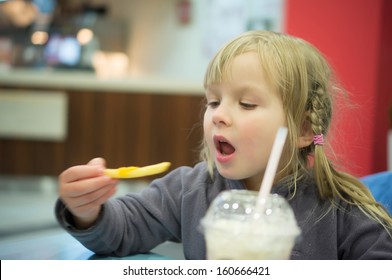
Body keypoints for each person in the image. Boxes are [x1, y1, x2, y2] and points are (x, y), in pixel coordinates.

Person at [55, 30, 392, 259]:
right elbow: (121, 230)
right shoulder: (190, 191)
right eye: (213, 102)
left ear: (303, 128)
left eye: (246, 104)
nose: (218, 115)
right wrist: (86, 212)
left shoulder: (342, 211)